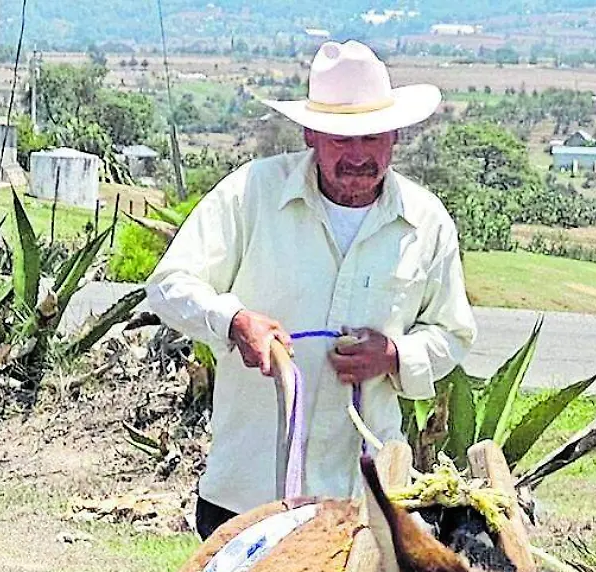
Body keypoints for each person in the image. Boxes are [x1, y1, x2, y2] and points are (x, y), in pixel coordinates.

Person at [146, 40, 476, 538]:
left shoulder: (425, 222)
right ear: (310, 134)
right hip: (249, 493)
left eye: (372, 137)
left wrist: (393, 356)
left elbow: (452, 333)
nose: (359, 155)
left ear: (396, 135)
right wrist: (234, 321)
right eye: (342, 139)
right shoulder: (251, 194)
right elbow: (169, 284)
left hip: (363, 499)